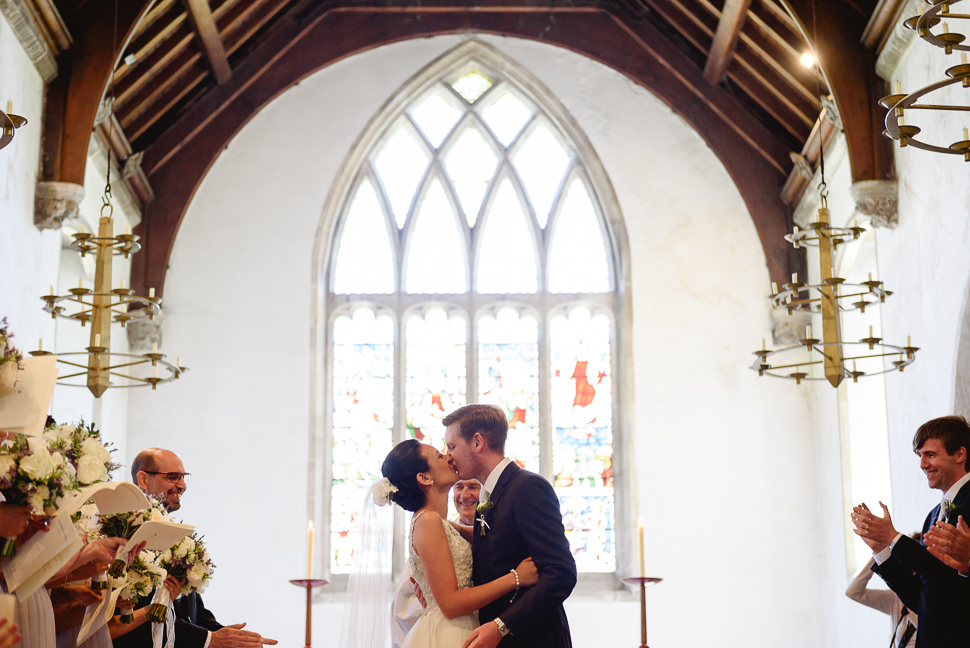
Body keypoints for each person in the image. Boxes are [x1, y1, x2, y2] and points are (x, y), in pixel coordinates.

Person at [374, 439, 537, 648]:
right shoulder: (428, 522)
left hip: (462, 626)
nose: (448, 457)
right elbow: (450, 604)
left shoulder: (440, 523)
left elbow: (492, 540)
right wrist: (515, 578)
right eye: (439, 456)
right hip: (448, 633)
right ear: (424, 477)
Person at [112, 448, 277, 648]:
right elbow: (136, 618)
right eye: (173, 477)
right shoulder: (125, 536)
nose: (181, 486)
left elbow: (193, 609)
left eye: (183, 477)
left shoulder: (178, 537)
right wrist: (209, 640)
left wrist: (225, 636)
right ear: (144, 479)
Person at [443, 404, 576, 648]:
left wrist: (503, 625)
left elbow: (561, 572)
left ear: (477, 442)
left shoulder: (528, 487)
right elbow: (499, 544)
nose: (448, 455)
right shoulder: (490, 491)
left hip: (534, 639)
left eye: (452, 446)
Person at [853, 415, 970, 648]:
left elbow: (955, 586)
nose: (922, 464)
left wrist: (894, 539)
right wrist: (881, 549)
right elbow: (922, 598)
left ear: (959, 454)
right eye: (920, 456)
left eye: (931, 455)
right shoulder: (934, 514)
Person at [391, 479, 481, 648]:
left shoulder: (445, 526)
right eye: (459, 487)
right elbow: (402, 607)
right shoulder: (430, 528)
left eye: (473, 487)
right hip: (448, 630)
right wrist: (429, 596)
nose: (464, 494)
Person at [845, 544, 918, 648]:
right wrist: (878, 554)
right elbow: (853, 592)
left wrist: (912, 610)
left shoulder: (934, 600)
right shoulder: (895, 598)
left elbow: (933, 635)